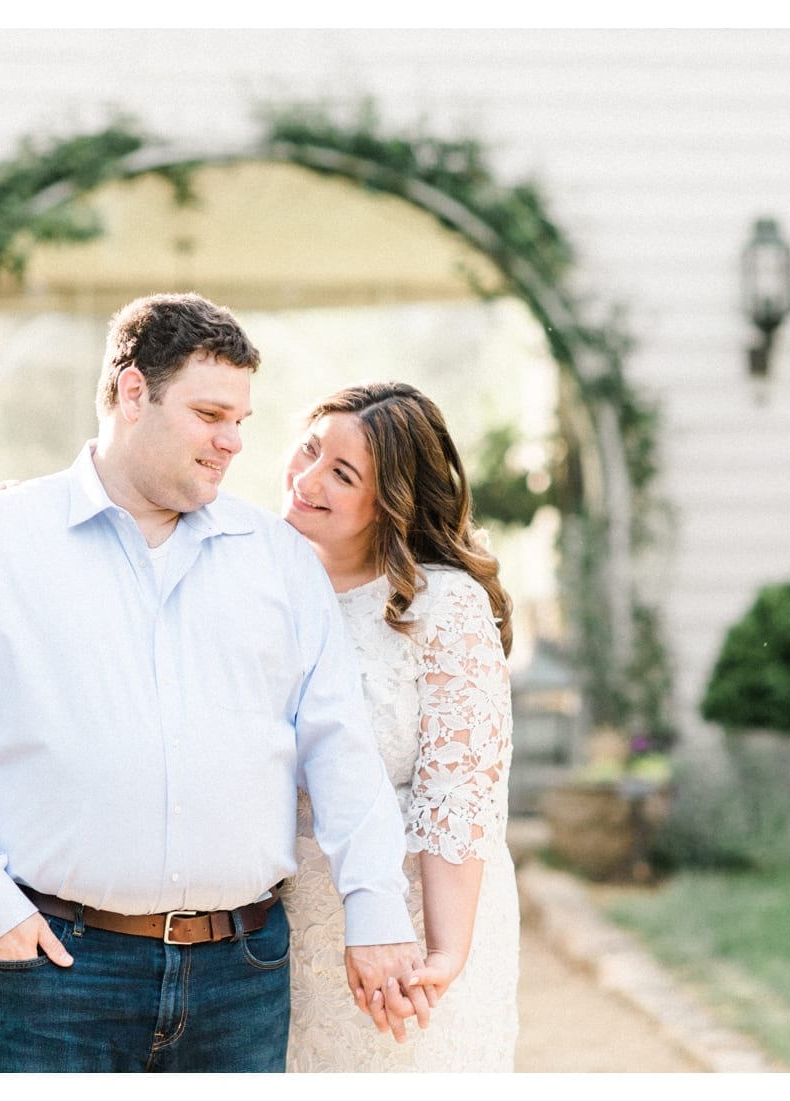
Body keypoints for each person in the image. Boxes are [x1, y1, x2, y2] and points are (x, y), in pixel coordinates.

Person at [0, 293, 427, 1074]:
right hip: (56, 974)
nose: (233, 441)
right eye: (210, 413)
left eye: (240, 418)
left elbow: (338, 742)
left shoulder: (277, 559)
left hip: (241, 978)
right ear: (133, 393)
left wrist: (373, 906)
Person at [278, 381, 520, 1072]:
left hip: (415, 919)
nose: (307, 478)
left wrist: (445, 953)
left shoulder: (444, 605)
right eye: (309, 448)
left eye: (342, 474)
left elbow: (456, 796)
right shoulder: (261, 579)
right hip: (277, 933)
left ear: (390, 503)